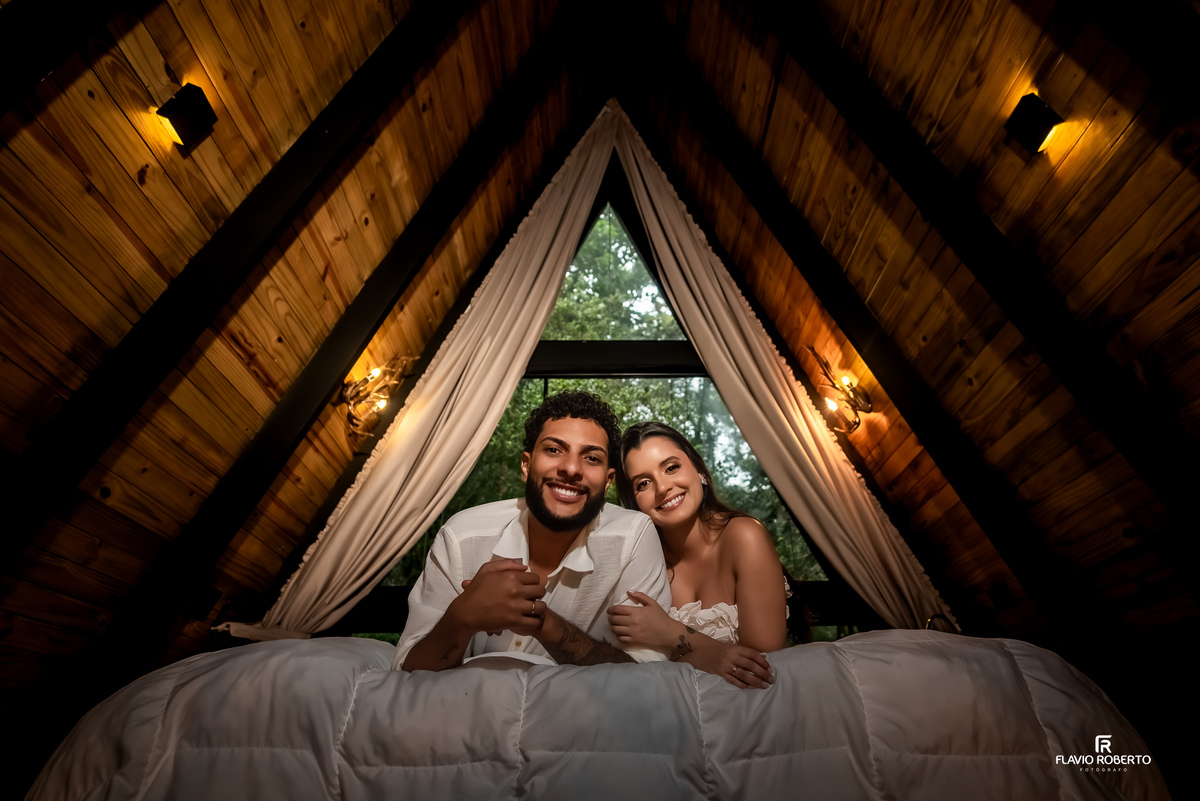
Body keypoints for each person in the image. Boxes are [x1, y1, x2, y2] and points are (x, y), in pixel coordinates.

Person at [393, 391, 671, 671]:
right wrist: (462, 617)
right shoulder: (461, 537)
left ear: (608, 480)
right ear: (526, 465)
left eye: (591, 458)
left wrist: (544, 622)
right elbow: (407, 669)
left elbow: (647, 673)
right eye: (553, 450)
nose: (572, 468)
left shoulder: (632, 538)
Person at [608, 422, 788, 689]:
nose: (662, 488)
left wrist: (670, 632)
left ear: (699, 471)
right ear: (634, 502)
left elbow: (763, 662)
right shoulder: (639, 564)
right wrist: (705, 656)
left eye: (671, 468)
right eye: (643, 483)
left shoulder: (744, 537)